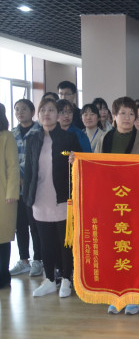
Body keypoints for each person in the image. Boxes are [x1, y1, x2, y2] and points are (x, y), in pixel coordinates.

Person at [95, 97, 139, 314]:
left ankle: (134, 295)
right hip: (111, 203)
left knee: (134, 249)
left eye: (131, 114)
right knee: (114, 248)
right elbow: (96, 167)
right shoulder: (105, 139)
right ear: (114, 116)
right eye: (123, 113)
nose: (128, 118)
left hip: (134, 203)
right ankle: (116, 293)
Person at [24, 98, 82, 298]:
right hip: (40, 198)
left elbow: (81, 165)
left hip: (62, 198)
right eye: (43, 110)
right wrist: (28, 197)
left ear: (58, 115)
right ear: (38, 115)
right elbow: (29, 170)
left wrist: (75, 160)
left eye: (51, 110)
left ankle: (66, 278)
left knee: (64, 241)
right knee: (45, 241)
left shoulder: (68, 138)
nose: (46, 114)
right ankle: (49, 279)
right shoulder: (32, 139)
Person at [10, 99, 43, 277]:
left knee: (35, 225)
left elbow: (38, 158)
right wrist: (16, 178)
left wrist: (24, 176)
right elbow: (8, 160)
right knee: (20, 225)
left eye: (24, 109)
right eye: (17, 110)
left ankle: (38, 259)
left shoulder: (40, 131)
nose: (20, 112)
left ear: (32, 111)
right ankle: (24, 261)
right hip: (16, 188)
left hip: (35, 187)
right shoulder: (11, 134)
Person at [0, 103, 20, 289]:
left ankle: (2, 275)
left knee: (2, 237)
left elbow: (13, 166)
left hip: (3, 194)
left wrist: (12, 192)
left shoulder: (7, 136)